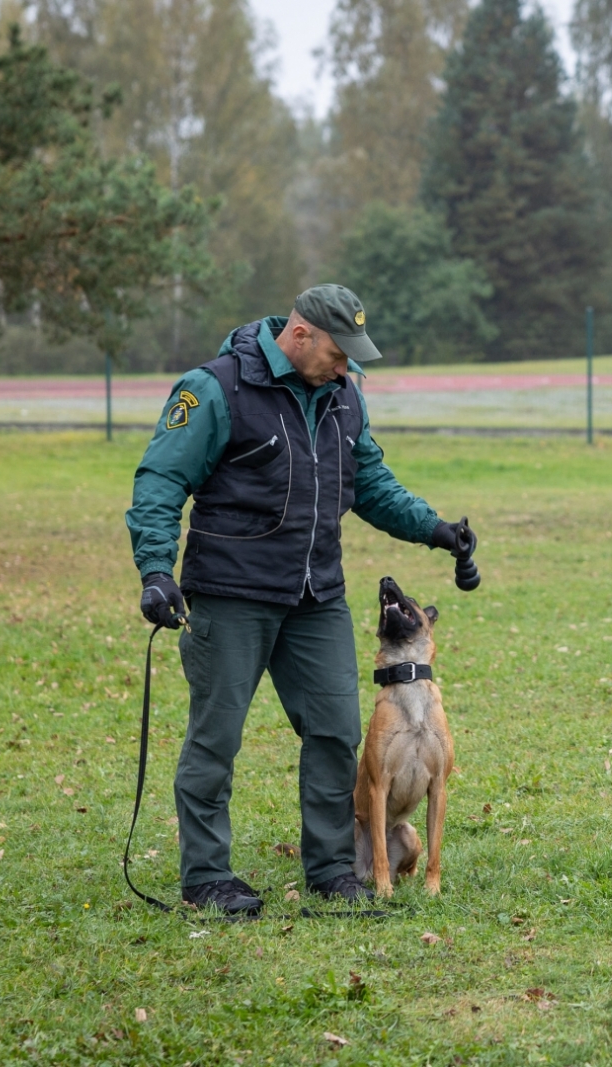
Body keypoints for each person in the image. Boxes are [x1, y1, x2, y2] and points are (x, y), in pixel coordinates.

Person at [124, 284, 475, 917]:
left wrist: (435, 529)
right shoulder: (216, 388)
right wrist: (155, 568)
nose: (345, 370)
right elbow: (161, 478)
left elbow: (370, 482)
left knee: (337, 732)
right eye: (339, 355)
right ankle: (207, 877)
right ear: (300, 334)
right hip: (231, 593)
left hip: (317, 595)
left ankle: (333, 869)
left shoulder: (344, 397)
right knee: (216, 738)